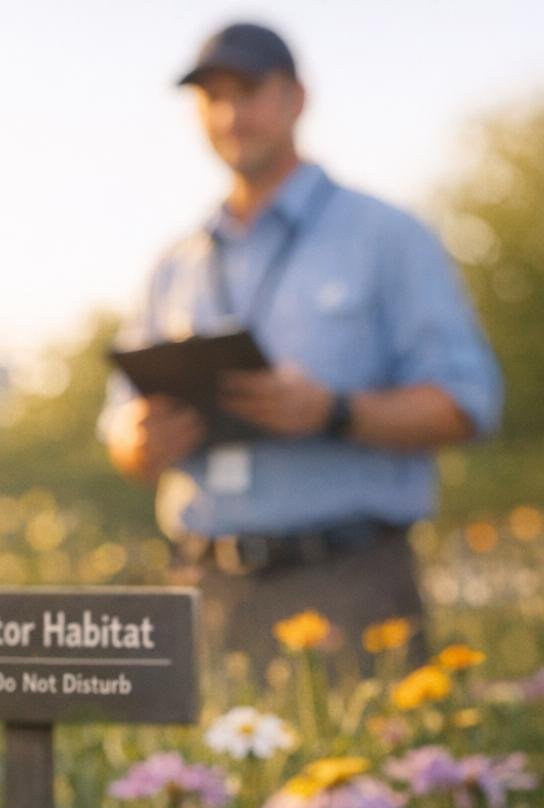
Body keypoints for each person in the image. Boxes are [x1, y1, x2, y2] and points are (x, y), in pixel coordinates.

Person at [100, 22, 503, 667]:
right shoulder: (174, 264)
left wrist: (334, 413)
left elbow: (467, 404)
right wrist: (142, 439)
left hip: (350, 587)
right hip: (201, 590)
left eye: (250, 91)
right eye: (212, 97)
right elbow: (119, 430)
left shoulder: (387, 237)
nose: (231, 115)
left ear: (296, 99)